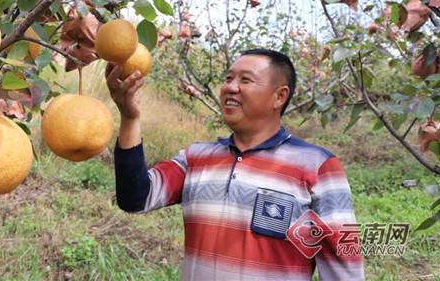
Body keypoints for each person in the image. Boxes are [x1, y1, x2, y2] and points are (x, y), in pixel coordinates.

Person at [105, 48, 364, 280]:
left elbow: (344, 265)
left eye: (245, 80)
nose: (230, 87)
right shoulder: (197, 157)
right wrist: (129, 118)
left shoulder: (318, 166)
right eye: (228, 78)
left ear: (279, 96)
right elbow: (135, 198)